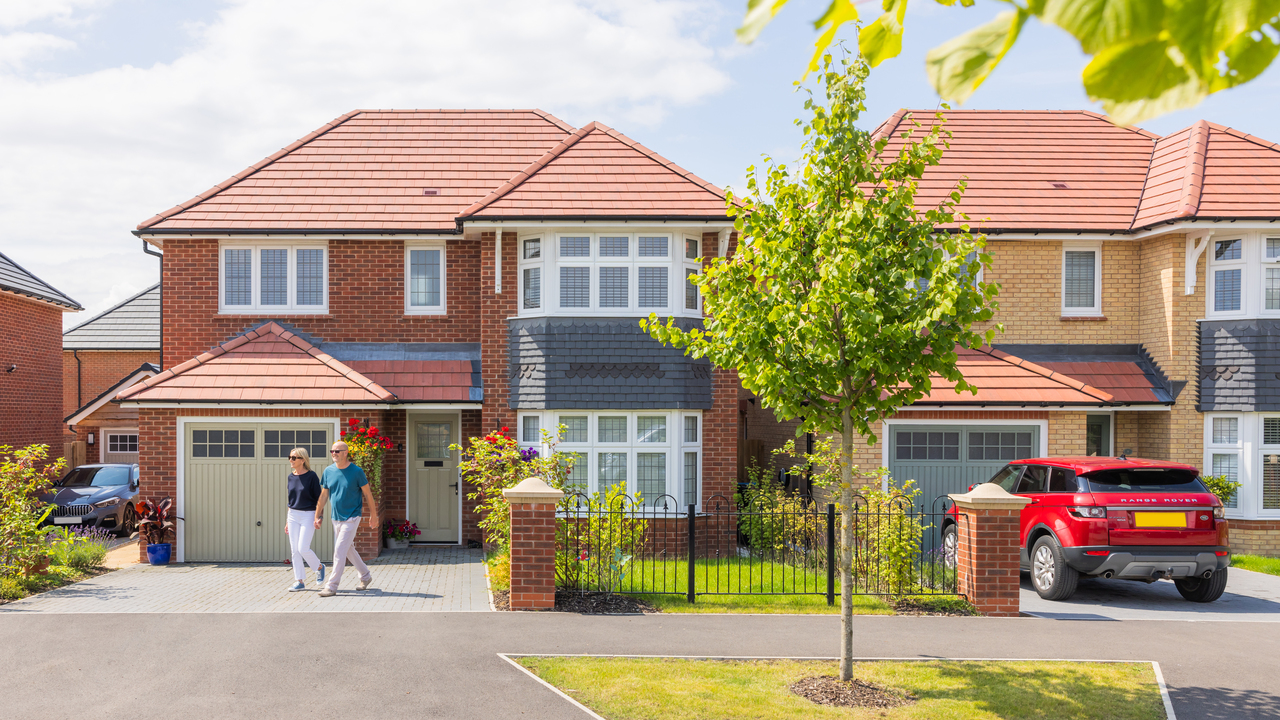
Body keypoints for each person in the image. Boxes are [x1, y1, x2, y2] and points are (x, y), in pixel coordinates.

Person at [314, 441, 375, 597]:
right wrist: (318, 515)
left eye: (337, 451)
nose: (334, 453)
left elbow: (367, 494)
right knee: (348, 549)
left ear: (346, 452)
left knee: (339, 550)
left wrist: (374, 515)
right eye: (332, 451)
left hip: (352, 516)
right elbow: (324, 495)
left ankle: (331, 586)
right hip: (336, 517)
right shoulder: (328, 471)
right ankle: (366, 576)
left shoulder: (356, 472)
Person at [284, 448, 324, 591]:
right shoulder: (290, 477)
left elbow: (319, 499)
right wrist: (287, 521)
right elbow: (290, 501)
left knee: (302, 548)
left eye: (294, 458)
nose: (291, 460)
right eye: (290, 457)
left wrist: (319, 517)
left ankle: (319, 567)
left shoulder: (312, 476)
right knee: (294, 550)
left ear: (303, 460)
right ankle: (299, 581)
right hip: (293, 515)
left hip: (308, 514)